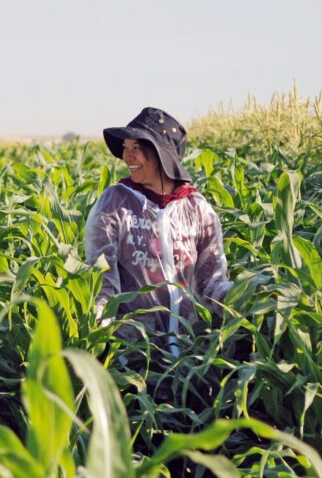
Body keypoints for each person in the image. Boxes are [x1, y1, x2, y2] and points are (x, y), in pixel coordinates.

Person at [85, 107, 232, 356]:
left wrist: (252, 298)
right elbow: (103, 280)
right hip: (132, 354)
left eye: (136, 148)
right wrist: (96, 331)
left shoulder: (197, 209)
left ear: (161, 154)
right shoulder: (115, 203)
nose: (126, 156)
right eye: (125, 148)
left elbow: (211, 284)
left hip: (191, 353)